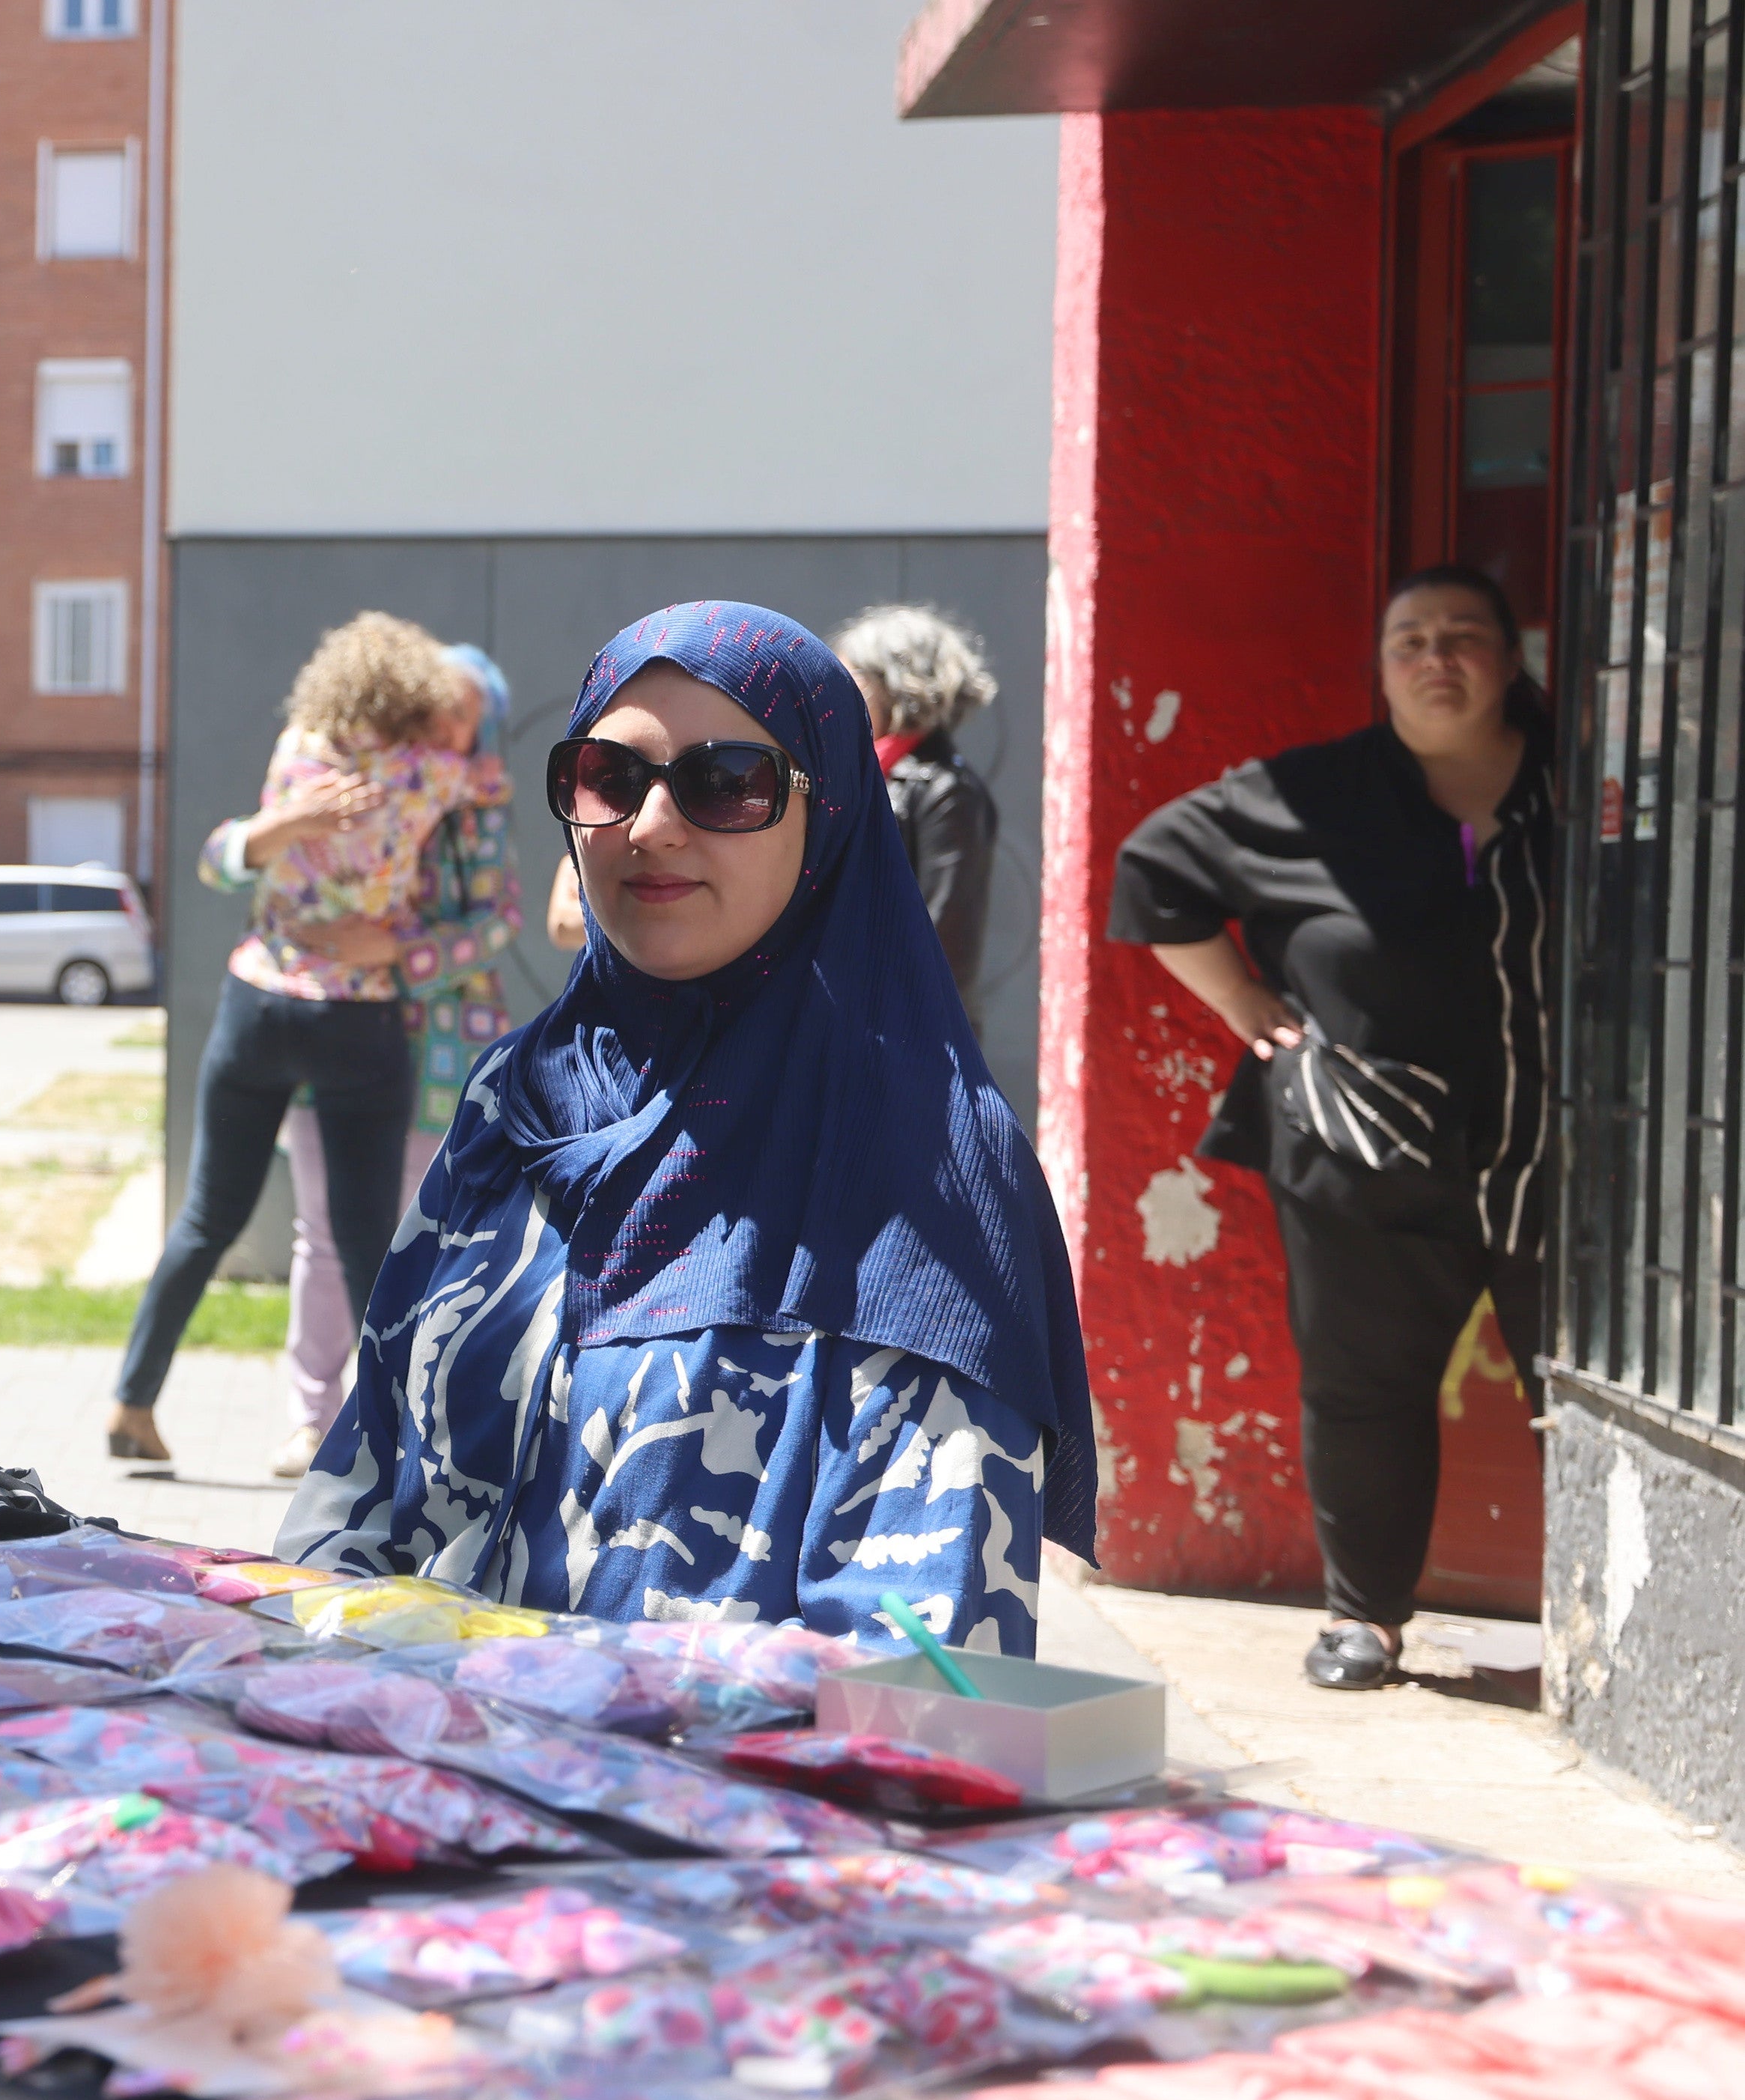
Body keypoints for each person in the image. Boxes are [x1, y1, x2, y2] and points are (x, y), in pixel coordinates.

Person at [276, 602, 1097, 1647]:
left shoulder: (927, 1168)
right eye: (606, 778)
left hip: (706, 1797)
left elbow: (921, 1661)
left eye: (725, 783)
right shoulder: (514, 1099)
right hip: (391, 1768)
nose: (651, 826)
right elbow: (359, 1478)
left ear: (830, 812)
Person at [1108, 564, 1551, 1692]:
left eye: (1463, 635)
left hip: (1564, 1151)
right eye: (1409, 640)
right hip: (1365, 1141)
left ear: (1511, 658)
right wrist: (1248, 1007)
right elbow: (1153, 865)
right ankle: (1366, 1619)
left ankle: (1605, 1619)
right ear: (1380, 669)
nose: (1435, 658)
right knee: (1363, 1383)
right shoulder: (1313, 794)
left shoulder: (1581, 785)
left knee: (1590, 1381)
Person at [106, 613, 485, 1470]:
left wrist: (284, 826)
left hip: (258, 1002)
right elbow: (478, 778)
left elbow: (218, 859)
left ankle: (132, 1399)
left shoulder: (297, 751)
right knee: (361, 1238)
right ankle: (383, 1442)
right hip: (356, 1014)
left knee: (205, 1218)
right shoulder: (430, 773)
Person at [243, 645, 521, 1475]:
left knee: (425, 1232)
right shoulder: (335, 768)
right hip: (332, 1023)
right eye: (436, 705)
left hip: (441, 1045)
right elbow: (264, 864)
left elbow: (498, 920)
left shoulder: (480, 801)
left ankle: (405, 1420)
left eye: (463, 715)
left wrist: (399, 951)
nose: (444, 725)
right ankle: (309, 1420)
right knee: (320, 1231)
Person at [832, 600, 1002, 999]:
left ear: (893, 684)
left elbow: (945, 939)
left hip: (897, 1026)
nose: (836, 692)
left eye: (849, 677)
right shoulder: (856, 773)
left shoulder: (946, 789)